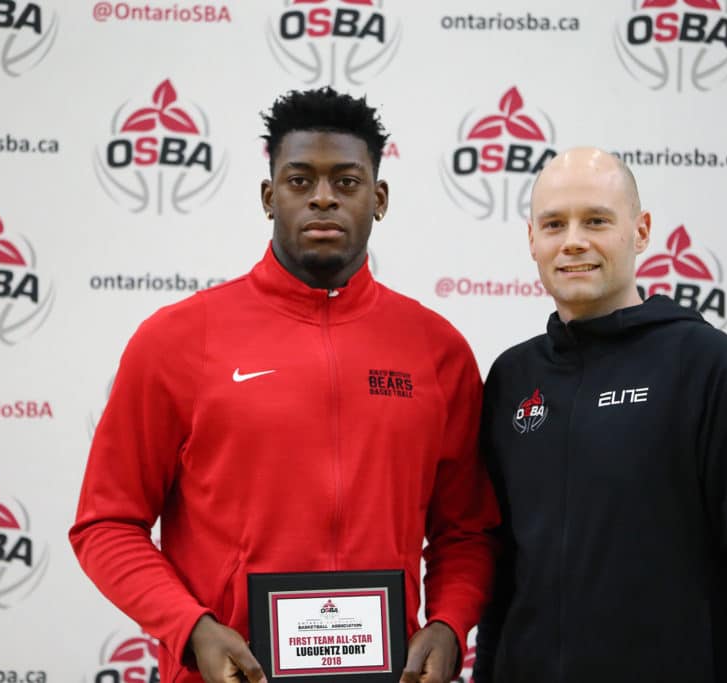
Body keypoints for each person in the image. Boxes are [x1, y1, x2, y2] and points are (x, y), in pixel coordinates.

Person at [70, 87, 499, 683]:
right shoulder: (177, 340)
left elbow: (466, 530)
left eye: (346, 182)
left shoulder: (437, 350)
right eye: (300, 181)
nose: (323, 198)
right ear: (269, 197)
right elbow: (106, 524)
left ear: (379, 200)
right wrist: (192, 629)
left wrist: (450, 623)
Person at [473, 148, 727, 682]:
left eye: (597, 221)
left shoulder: (703, 364)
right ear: (532, 239)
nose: (574, 240)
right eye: (554, 223)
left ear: (641, 230)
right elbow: (503, 568)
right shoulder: (513, 378)